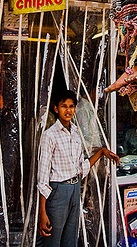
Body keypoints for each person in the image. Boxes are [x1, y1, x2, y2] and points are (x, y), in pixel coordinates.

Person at [37, 89, 119, 247]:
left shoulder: (75, 133)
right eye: (64, 106)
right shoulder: (50, 135)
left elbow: (82, 168)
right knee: (52, 240)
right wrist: (42, 211)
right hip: (57, 192)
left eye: (71, 106)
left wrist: (101, 152)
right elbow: (43, 176)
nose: (68, 110)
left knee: (70, 240)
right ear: (56, 108)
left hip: (74, 189)